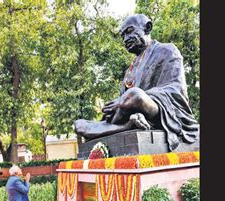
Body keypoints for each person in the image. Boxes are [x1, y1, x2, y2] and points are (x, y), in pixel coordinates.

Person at [74, 14, 199, 151]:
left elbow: (177, 91)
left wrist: (132, 99)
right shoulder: (129, 70)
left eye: (129, 31)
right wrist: (117, 105)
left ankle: (126, 124)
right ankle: (127, 125)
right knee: (78, 124)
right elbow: (124, 104)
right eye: (123, 36)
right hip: (129, 113)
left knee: (135, 95)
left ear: (147, 28)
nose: (125, 39)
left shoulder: (167, 50)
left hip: (161, 111)